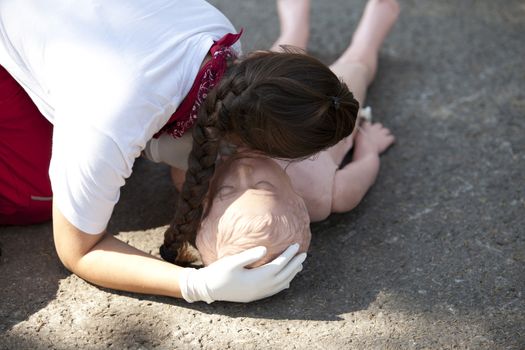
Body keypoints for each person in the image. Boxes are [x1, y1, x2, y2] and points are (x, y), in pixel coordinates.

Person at [0, 0, 367, 304]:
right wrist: (195, 286)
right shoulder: (112, 121)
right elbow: (78, 250)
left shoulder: (216, 35)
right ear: (248, 145)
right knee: (36, 195)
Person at [169, 0, 400, 268]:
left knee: (271, 75)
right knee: (357, 65)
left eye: (227, 191)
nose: (244, 173)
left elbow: (179, 165)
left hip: (264, 113)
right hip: (321, 120)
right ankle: (372, 31)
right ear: (296, 204)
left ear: (207, 208)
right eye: (262, 186)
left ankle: (294, 28)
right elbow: (362, 171)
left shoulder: (202, 181)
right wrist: (369, 147)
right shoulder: (326, 197)